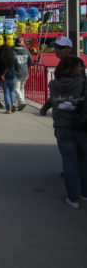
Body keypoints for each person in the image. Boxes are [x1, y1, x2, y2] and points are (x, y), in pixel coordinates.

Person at [43, 56, 87, 208]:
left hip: (61, 126)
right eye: (80, 67)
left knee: (69, 162)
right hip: (81, 125)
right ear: (73, 68)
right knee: (83, 160)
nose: (82, 69)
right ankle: (84, 192)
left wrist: (45, 107)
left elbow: (53, 99)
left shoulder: (53, 84)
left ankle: (73, 198)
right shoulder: (82, 83)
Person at [0, 44, 19, 113]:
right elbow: (17, 66)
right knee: (12, 91)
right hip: (12, 77)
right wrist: (15, 73)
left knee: (6, 93)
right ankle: (13, 103)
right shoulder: (13, 57)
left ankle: (8, 109)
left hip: (4, 78)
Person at [13, 38, 34, 111]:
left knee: (16, 88)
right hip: (25, 72)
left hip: (16, 72)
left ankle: (22, 101)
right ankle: (20, 104)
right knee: (22, 88)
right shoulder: (26, 51)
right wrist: (26, 67)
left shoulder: (13, 52)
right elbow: (31, 61)